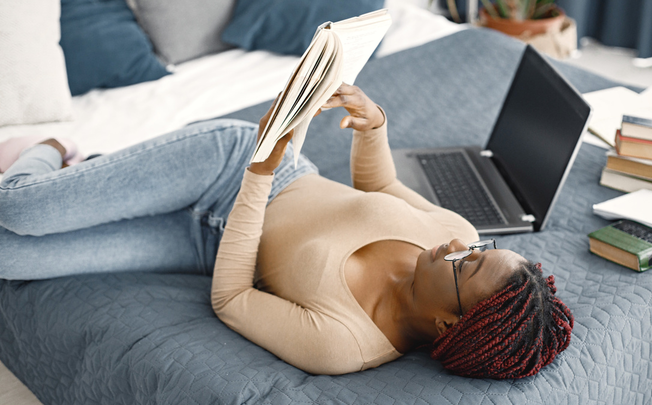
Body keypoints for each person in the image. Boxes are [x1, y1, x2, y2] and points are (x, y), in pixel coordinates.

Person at [0, 84, 573, 379]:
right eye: (478, 248)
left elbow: (231, 299)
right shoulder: (451, 231)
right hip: (230, 164)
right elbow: (381, 186)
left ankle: (93, 175)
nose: (457, 243)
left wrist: (258, 178)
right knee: (21, 210)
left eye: (465, 264)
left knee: (8, 256)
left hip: (211, 242)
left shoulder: (344, 346)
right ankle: (52, 148)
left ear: (449, 322)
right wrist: (374, 127)